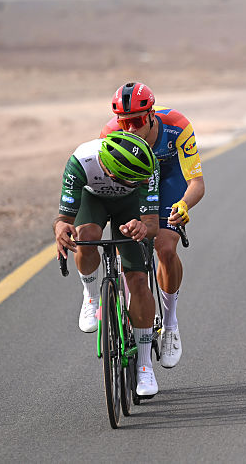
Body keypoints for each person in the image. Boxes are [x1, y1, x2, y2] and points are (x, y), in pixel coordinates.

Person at [100, 82, 204, 369]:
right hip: (133, 182)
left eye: (135, 122)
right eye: (124, 122)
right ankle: (125, 304)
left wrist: (183, 205)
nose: (130, 129)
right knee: (126, 246)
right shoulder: (110, 133)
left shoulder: (176, 126)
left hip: (169, 179)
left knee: (165, 246)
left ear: (149, 115)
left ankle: (170, 323)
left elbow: (196, 183)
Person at [54, 131, 161, 397]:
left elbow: (152, 224)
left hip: (132, 205)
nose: (144, 180)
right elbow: (64, 218)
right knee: (86, 237)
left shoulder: (148, 164)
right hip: (95, 201)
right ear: (112, 175)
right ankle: (91, 298)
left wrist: (142, 227)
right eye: (137, 179)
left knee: (137, 278)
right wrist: (60, 228)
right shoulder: (81, 161)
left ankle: (145, 365)